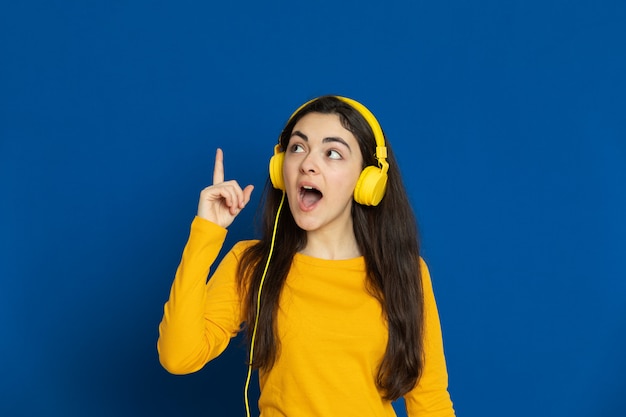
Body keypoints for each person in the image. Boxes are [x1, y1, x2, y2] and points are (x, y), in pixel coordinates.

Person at [157, 95, 455, 416]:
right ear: (280, 168)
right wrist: (206, 232)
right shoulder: (254, 264)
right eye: (298, 148)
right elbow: (178, 356)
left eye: (333, 153)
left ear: (368, 180)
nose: (307, 163)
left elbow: (431, 400)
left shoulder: (405, 272)